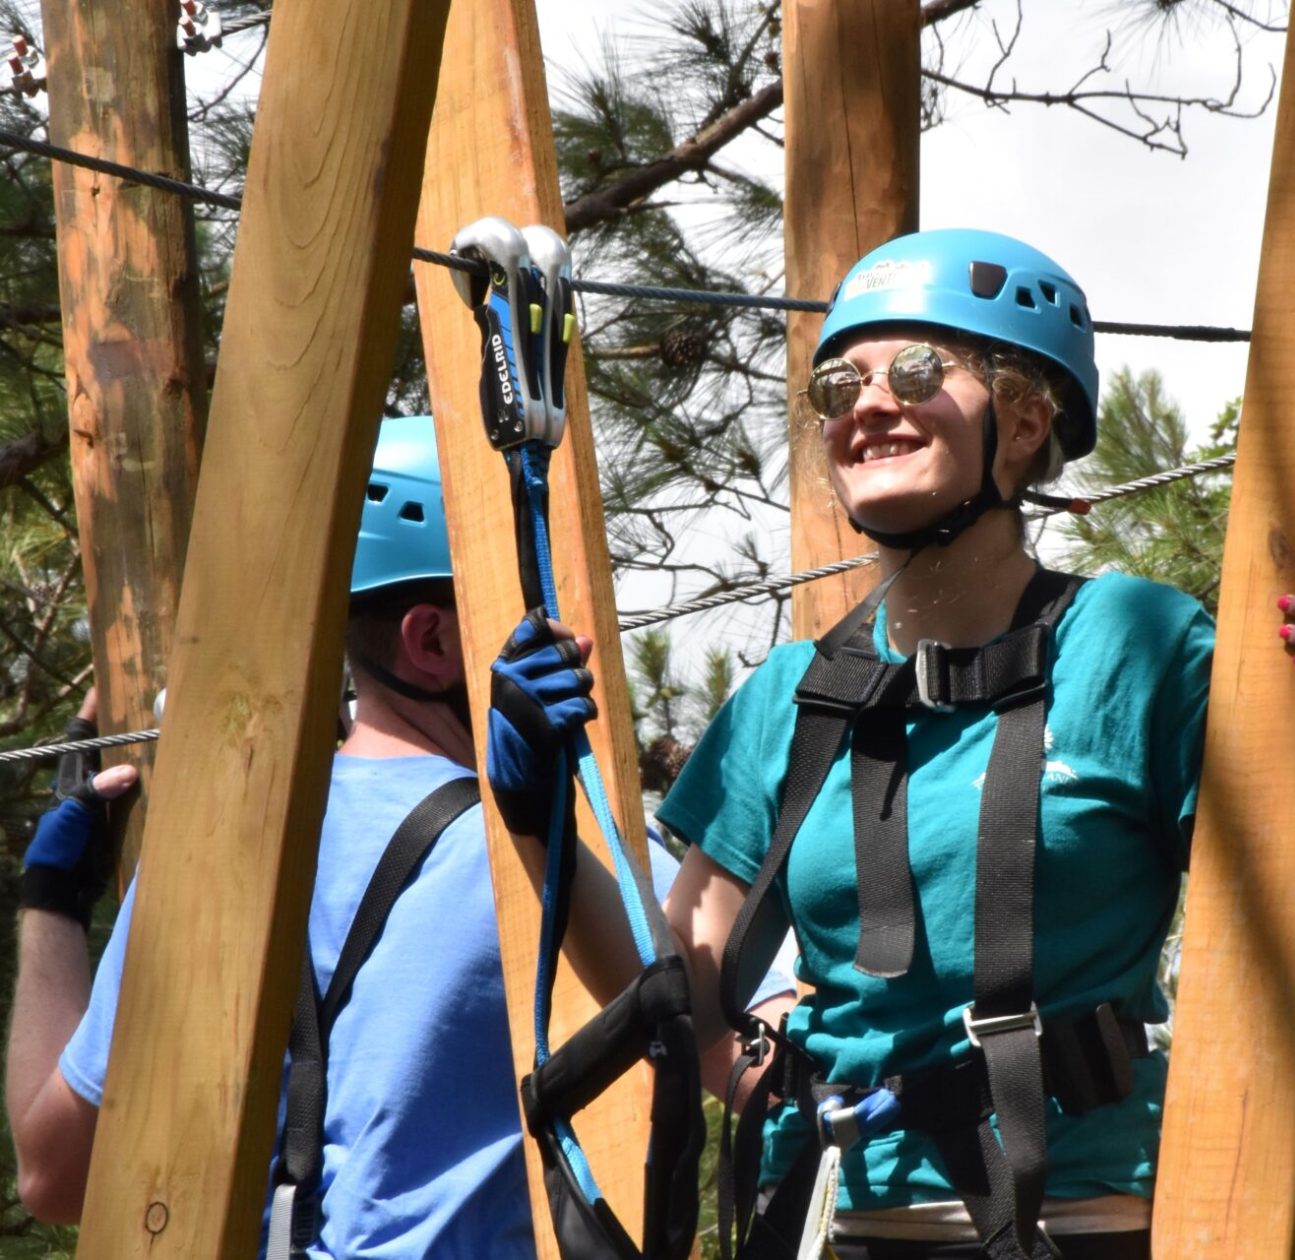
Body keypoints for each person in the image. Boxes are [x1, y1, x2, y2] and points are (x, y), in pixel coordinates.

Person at [656, 229, 1295, 1260]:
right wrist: (536, 821)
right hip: (834, 1222)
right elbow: (684, 987)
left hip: (1082, 1218)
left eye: (920, 372)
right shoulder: (791, 699)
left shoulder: (1134, 645)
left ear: (1027, 421)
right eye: (839, 386)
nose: (869, 405)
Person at [6, 415, 795, 1254]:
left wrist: (52, 901)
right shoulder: (552, 846)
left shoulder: (216, 860)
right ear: (433, 641)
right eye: (533, 612)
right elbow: (767, 1081)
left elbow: (55, 1174)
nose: (576, 642)